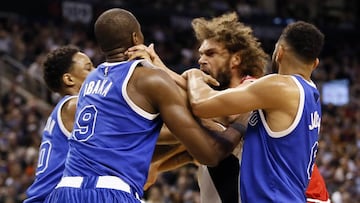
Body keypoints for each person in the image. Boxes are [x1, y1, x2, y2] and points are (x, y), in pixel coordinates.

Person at [44, 8, 243, 203]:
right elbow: (210, 154)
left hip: (64, 191)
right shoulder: (148, 80)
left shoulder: (90, 82)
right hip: (111, 192)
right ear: (135, 38)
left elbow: (126, 142)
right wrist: (241, 123)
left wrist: (159, 162)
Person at [128, 13, 330, 203]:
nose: (201, 60)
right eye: (200, 54)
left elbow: (202, 108)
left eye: (211, 53)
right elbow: (200, 133)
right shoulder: (305, 92)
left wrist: (160, 70)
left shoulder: (262, 86)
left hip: (301, 196)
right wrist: (157, 164)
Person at [183, 20, 325, 202]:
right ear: (315, 63)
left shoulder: (279, 87)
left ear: (279, 52)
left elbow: (201, 104)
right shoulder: (311, 94)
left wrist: (194, 76)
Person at [24, 45, 95, 203]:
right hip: (54, 196)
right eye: (88, 68)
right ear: (69, 79)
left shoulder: (63, 109)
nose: (96, 72)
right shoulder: (75, 106)